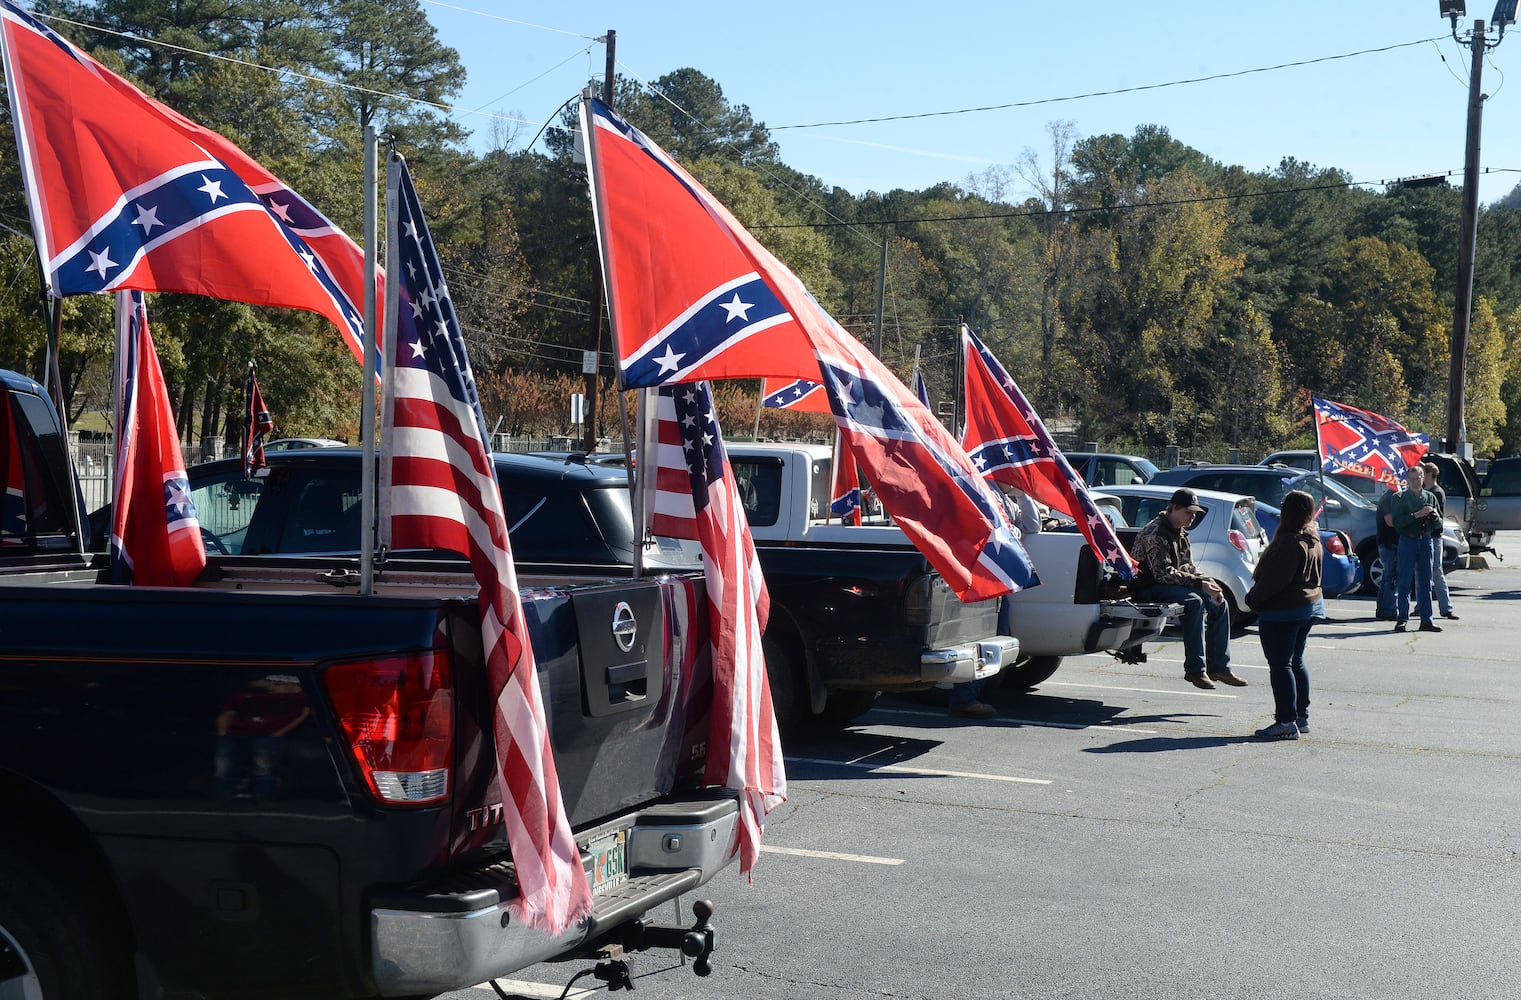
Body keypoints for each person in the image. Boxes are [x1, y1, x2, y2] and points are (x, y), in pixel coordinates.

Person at [1132, 488, 1245, 689]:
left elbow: (1188, 567)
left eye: (1194, 513)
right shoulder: (1156, 532)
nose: (1192, 517)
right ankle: (1195, 670)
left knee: (1220, 602)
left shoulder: (1180, 531)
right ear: (1174, 508)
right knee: (1195, 602)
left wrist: (1210, 583)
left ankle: (1220, 667)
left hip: (1168, 583)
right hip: (1147, 586)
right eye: (1188, 512)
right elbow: (1162, 574)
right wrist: (1199, 584)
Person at [949, 483, 1041, 719]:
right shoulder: (981, 489)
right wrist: (1011, 532)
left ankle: (972, 695)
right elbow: (990, 528)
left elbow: (1033, 525)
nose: (1014, 477)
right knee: (977, 637)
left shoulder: (1007, 496)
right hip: (981, 574)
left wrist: (1022, 495)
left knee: (997, 638)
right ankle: (964, 698)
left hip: (999, 577)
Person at [1245, 490, 1322, 741]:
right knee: (1295, 661)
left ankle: (1286, 721)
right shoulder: (1312, 538)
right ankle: (1301, 716)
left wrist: (1252, 601)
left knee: (1281, 665)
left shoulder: (1289, 543)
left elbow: (1272, 582)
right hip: (1307, 607)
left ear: (1287, 512)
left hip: (1283, 612)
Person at [1390, 464, 1444, 633]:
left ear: (1423, 478)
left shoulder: (1430, 497)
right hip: (1407, 540)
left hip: (1426, 541)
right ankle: (1402, 619)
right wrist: (1417, 515)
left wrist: (1434, 517)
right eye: (1411, 479)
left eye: (1418, 478)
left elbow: (1440, 524)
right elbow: (1397, 523)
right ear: (1407, 480)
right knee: (1405, 581)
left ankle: (1426, 619)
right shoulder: (1398, 498)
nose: (1415, 482)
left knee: (1425, 582)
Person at [1422, 460, 1458, 621]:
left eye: (1423, 473)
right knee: (1422, 571)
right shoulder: (1424, 490)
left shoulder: (1437, 492)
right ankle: (1420, 606)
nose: (1421, 476)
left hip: (1435, 536)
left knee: (1436, 570)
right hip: (1423, 536)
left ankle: (1446, 608)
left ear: (1429, 474)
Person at [1374, 483, 1399, 621]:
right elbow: (1390, 521)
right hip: (1389, 543)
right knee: (1392, 576)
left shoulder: (1392, 497)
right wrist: (1409, 519)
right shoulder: (1389, 498)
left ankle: (1383, 608)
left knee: (1387, 577)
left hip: (1391, 542)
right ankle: (1389, 610)